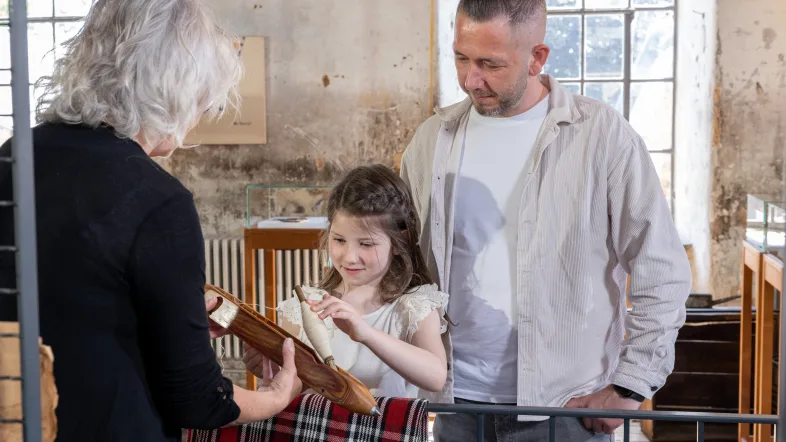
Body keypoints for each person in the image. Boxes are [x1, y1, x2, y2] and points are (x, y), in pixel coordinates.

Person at [0, 0, 301, 441]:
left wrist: (166, 318)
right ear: (177, 88)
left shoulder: (13, 154)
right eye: (205, 99)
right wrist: (276, 396)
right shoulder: (157, 200)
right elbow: (195, 397)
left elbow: (67, 299)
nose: (200, 117)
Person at [398, 0, 692, 441]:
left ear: (537, 58)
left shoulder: (602, 137)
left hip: (564, 409)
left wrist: (630, 386)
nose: (469, 79)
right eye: (461, 57)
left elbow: (662, 271)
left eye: (489, 64)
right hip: (454, 403)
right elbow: (399, 264)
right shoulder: (432, 140)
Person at [244, 164, 450, 400]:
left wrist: (366, 334)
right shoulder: (304, 306)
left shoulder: (412, 307)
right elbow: (296, 388)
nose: (350, 257)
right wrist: (272, 370)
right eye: (339, 240)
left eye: (366, 244)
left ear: (399, 241)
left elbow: (435, 377)